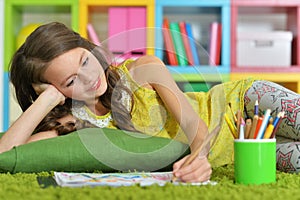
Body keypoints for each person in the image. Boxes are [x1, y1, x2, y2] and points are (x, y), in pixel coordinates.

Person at [0, 22, 299, 181]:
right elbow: (6, 153)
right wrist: (47, 99)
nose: (89, 77)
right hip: (242, 152)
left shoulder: (142, 68)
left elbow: (194, 126)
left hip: (242, 104)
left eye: (84, 60)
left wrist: (200, 158)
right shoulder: (71, 124)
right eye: (70, 81)